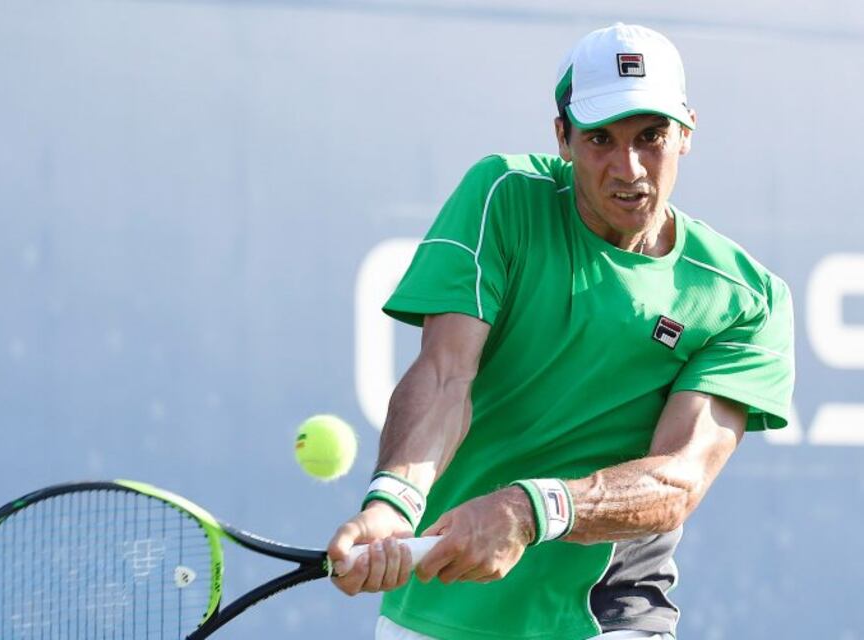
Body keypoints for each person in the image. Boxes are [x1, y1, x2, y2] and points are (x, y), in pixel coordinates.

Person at [327, 23, 795, 640]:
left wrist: (528, 510)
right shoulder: (503, 196)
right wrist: (393, 502)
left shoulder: (744, 299)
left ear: (685, 134)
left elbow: (677, 478)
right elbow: (445, 376)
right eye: (600, 138)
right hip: (440, 612)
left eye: (651, 137)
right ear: (563, 138)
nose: (629, 168)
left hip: (611, 614)